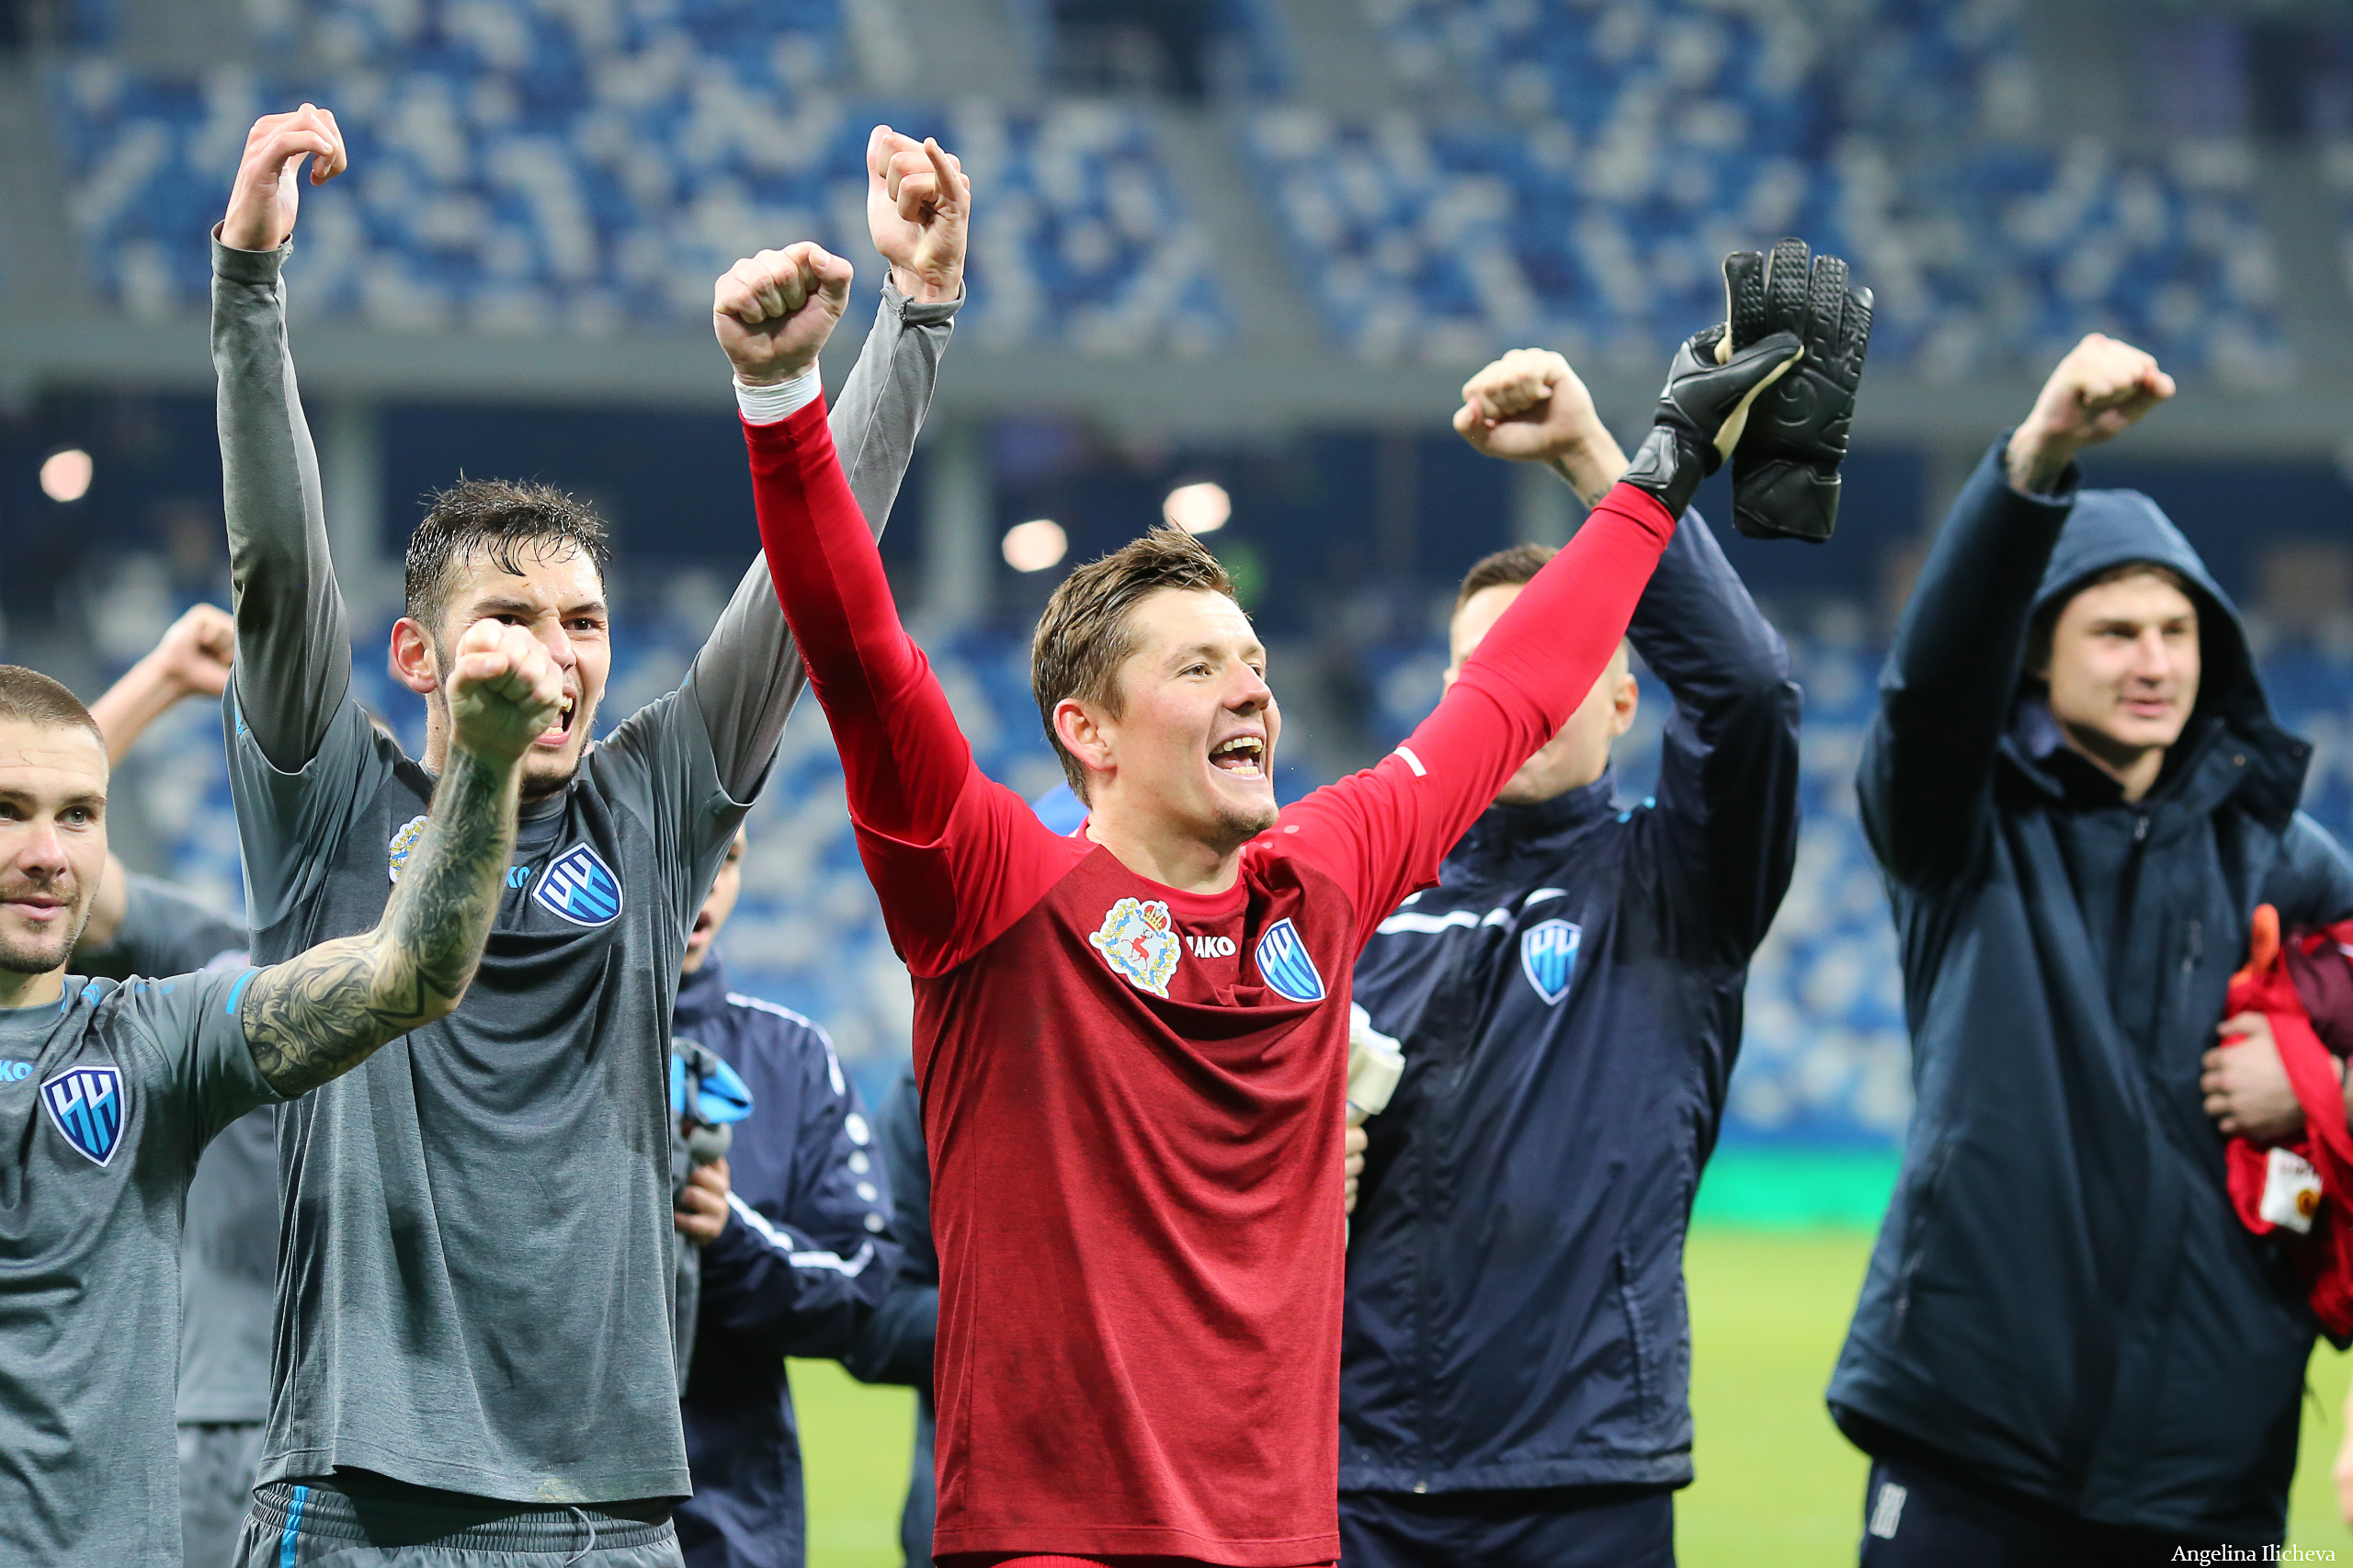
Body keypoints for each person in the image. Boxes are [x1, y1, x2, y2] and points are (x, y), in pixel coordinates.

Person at [724, 200, 1809, 1562]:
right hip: (1059, 1543)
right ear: (1088, 730)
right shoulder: (993, 893)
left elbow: (1520, 687)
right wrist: (783, 401)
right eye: (1199, 667)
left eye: (1254, 662)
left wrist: (1661, 459)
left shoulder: (1319, 883)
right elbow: (858, 648)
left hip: (1290, 1541)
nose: (1252, 689)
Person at [208, 101, 964, 1564]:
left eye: (585, 622)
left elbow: (815, 590)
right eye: (510, 616)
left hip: (607, 1509)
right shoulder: (329, 807)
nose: (557, 655)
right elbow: (277, 567)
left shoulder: (648, 807)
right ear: (417, 657)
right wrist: (250, 286)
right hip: (363, 1491)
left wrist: (914, 313)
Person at [1829, 332, 2353, 1562]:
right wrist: (2036, 459)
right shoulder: (1959, 826)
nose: (2155, 662)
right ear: (2036, 652)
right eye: (2114, 632)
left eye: (2177, 630)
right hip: (1968, 1443)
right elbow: (1928, 688)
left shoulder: (2295, 865)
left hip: (2210, 1469)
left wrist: (2325, 1084)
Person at [1339, 347, 1801, 1567]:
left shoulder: (1679, 883)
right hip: (1348, 1475)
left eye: (1563, 658)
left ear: (1624, 700)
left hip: (1582, 1483)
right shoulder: (1356, 894)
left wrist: (1601, 461)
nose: (1525, 691)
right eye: (1491, 670)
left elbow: (1749, 692)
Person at [0, 618, 563, 1565]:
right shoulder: (178, 980)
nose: (50, 852)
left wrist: (485, 761)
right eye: (6, 810)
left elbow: (407, 974)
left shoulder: (157, 1036)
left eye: (82, 815)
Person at [66, 603, 274, 1568]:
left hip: (387, 1432)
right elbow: (35, 839)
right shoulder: (215, 959)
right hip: (221, 1416)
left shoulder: (460, 988)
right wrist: (162, 678)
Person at [669, 825, 898, 1568]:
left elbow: (862, 1284)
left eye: (729, 856)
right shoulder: (529, 1042)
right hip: (539, 1511)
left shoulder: (792, 1057)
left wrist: (728, 1235)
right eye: (686, 845)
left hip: (731, 1528)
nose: (708, 879)